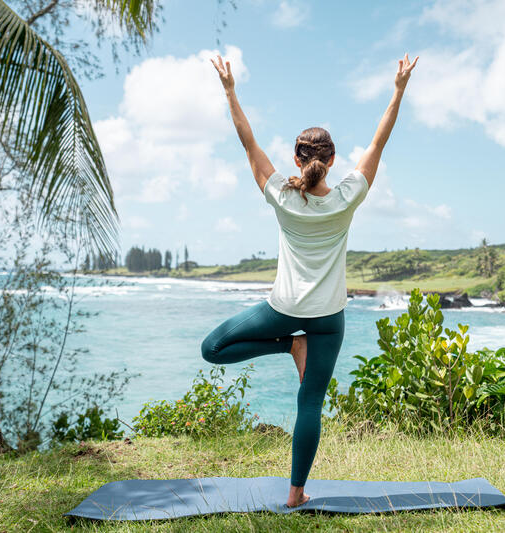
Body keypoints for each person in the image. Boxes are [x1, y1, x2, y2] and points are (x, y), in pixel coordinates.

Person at [202, 52, 419, 508]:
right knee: (310, 404)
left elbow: (248, 144)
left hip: (283, 310)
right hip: (328, 320)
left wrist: (230, 91)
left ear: (296, 159)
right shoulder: (346, 198)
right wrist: (398, 90)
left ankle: (287, 345)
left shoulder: (282, 196)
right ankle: (296, 494)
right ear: (333, 159)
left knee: (213, 349)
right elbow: (379, 143)